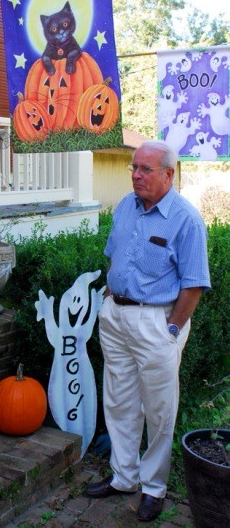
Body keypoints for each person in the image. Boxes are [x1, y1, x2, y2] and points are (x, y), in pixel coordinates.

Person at [85, 141, 210, 522]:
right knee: (119, 400)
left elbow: (193, 285)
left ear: (168, 175)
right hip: (116, 317)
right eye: (133, 168)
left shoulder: (186, 220)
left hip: (157, 323)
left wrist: (172, 328)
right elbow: (116, 254)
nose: (136, 175)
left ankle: (153, 488)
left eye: (145, 169)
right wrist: (112, 295)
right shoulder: (125, 205)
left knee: (159, 410)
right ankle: (124, 476)